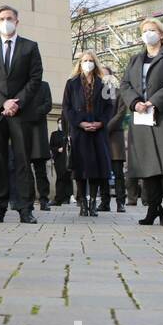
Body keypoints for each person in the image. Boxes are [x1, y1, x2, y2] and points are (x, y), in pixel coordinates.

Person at [0, 4, 42, 223]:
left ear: (17, 21)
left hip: (21, 114)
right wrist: (3, 102)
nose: (6, 21)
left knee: (22, 161)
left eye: (10, 18)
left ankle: (25, 208)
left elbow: (35, 78)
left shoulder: (30, 47)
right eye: (2, 18)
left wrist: (17, 102)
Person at [120, 17, 163, 226]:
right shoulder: (134, 60)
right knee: (147, 165)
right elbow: (124, 84)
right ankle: (152, 207)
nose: (148, 34)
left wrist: (154, 101)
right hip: (141, 117)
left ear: (161, 34)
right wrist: (135, 102)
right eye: (145, 30)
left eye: (152, 30)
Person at [63, 50, 113, 217]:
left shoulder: (105, 83)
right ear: (79, 63)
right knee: (80, 168)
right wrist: (80, 123)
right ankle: (82, 202)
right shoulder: (71, 83)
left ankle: (93, 202)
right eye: (85, 60)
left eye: (91, 60)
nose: (88, 63)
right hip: (80, 132)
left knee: (96, 168)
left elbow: (110, 107)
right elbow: (67, 108)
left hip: (98, 132)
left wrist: (100, 123)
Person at [23, 78, 53, 211]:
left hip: (39, 131)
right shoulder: (20, 84)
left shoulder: (44, 85)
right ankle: (28, 199)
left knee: (40, 170)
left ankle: (44, 199)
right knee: (26, 170)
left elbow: (48, 104)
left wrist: (34, 113)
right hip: (23, 130)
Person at [101, 68, 126, 212]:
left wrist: (106, 127)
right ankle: (104, 202)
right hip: (101, 135)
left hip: (115, 136)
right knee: (103, 171)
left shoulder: (119, 92)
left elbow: (121, 112)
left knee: (118, 172)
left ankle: (120, 202)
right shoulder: (98, 93)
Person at [49, 119, 71, 206]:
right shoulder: (54, 134)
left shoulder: (68, 134)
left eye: (62, 123)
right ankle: (58, 198)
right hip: (58, 159)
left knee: (67, 178)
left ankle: (67, 198)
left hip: (67, 159)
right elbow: (51, 146)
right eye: (59, 123)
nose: (60, 124)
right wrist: (57, 149)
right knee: (60, 178)